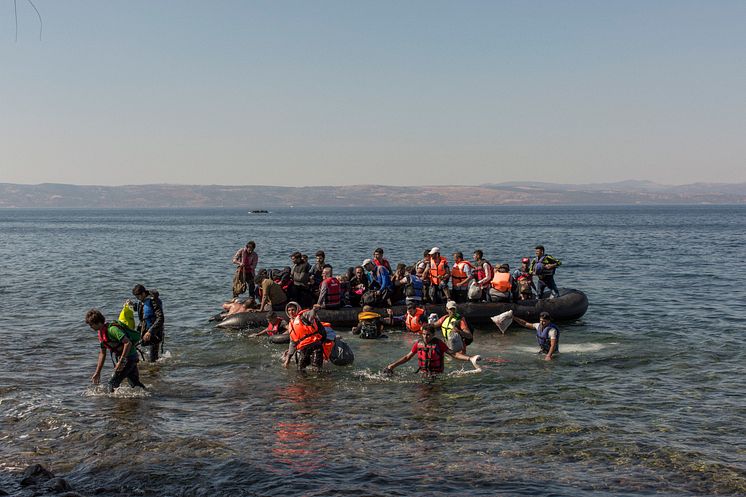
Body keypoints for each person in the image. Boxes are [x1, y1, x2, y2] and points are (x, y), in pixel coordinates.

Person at [86, 309, 146, 392]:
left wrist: (121, 361)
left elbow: (127, 343)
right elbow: (102, 353)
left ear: (98, 322)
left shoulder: (112, 330)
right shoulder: (101, 333)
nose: (90, 327)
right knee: (134, 384)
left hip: (129, 358)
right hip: (128, 358)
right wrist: (98, 372)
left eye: (91, 325)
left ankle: (112, 404)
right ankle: (150, 398)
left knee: (112, 384)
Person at [384, 324, 480, 376]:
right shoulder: (419, 344)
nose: (425, 337)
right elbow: (407, 357)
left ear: (433, 335)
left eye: (428, 334)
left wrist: (470, 358)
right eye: (424, 334)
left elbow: (454, 354)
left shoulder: (439, 344)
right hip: (423, 375)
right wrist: (392, 366)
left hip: (437, 376)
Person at [283, 304, 326, 371]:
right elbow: (292, 343)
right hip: (304, 348)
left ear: (297, 309)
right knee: (300, 370)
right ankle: (304, 382)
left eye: (293, 310)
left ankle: (323, 381)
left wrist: (314, 309)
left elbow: (311, 314)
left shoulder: (304, 315)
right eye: (289, 310)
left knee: (317, 370)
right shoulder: (291, 324)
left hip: (315, 345)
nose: (291, 312)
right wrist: (287, 360)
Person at [132, 284, 164, 363]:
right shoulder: (143, 300)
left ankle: (154, 373)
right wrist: (132, 305)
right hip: (145, 330)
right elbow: (142, 309)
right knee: (135, 347)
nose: (137, 299)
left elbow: (161, 318)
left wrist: (150, 332)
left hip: (155, 333)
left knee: (153, 360)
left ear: (143, 293)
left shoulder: (153, 301)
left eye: (138, 296)